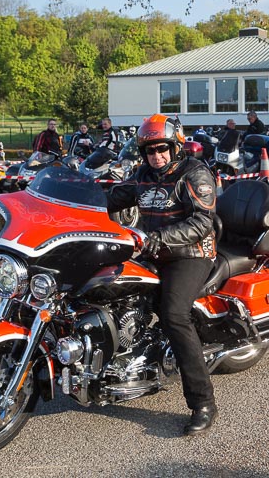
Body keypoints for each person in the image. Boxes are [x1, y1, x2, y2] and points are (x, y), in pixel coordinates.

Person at [107, 113, 219, 435]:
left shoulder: (194, 174)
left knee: (173, 315)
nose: (156, 156)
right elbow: (111, 198)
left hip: (191, 254)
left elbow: (202, 223)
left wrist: (158, 238)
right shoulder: (142, 174)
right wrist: (77, 202)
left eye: (162, 149)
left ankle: (203, 402)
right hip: (152, 251)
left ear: (176, 147)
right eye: (150, 151)